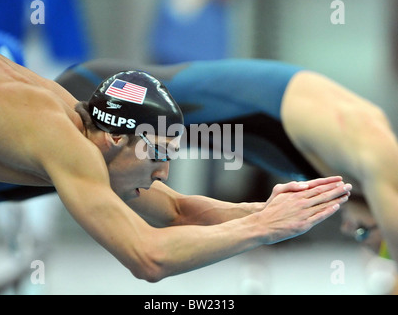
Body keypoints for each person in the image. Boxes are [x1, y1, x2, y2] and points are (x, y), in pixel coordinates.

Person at [0, 45, 351, 282]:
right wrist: (261, 227)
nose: (163, 172)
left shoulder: (84, 128)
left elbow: (178, 211)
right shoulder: (60, 139)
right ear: (115, 138)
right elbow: (148, 257)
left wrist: (272, 210)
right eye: (156, 154)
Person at [55, 58, 398, 271]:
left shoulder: (347, 161)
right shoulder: (377, 152)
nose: (349, 231)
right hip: (108, 88)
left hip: (133, 106)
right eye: (365, 233)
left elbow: (177, 211)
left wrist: (265, 215)